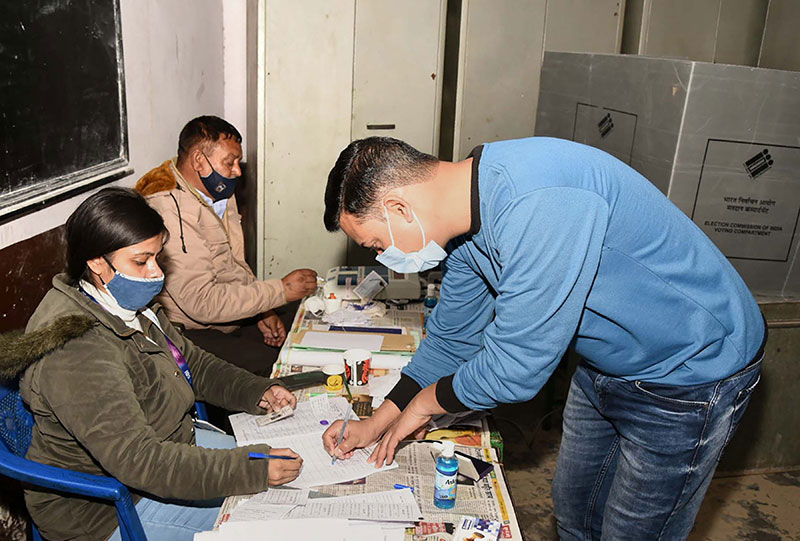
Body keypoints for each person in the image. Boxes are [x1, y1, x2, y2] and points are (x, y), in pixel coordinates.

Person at [320, 136, 766, 540]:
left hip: (690, 371)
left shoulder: (540, 200)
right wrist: (379, 420)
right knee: (576, 515)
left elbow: (515, 368)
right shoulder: (464, 226)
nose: (384, 257)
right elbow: (450, 342)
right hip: (609, 360)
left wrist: (424, 404)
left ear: (400, 208)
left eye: (376, 244)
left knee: (634, 531)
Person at [0, 188, 302, 541]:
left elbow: (192, 364)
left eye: (158, 257)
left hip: (167, 449)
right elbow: (140, 460)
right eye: (141, 261)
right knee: (275, 523)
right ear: (97, 262)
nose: (156, 274)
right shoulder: (77, 350)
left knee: (292, 485)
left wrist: (255, 390)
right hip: (107, 510)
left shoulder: (125, 301)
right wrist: (250, 472)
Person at [135, 115, 317, 377]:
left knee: (301, 330)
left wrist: (263, 310)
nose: (237, 172)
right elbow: (201, 302)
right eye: (229, 162)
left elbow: (234, 264)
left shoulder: (217, 191)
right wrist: (280, 291)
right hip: (189, 331)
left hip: (227, 317)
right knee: (276, 367)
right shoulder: (168, 209)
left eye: (237, 162)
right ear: (199, 160)